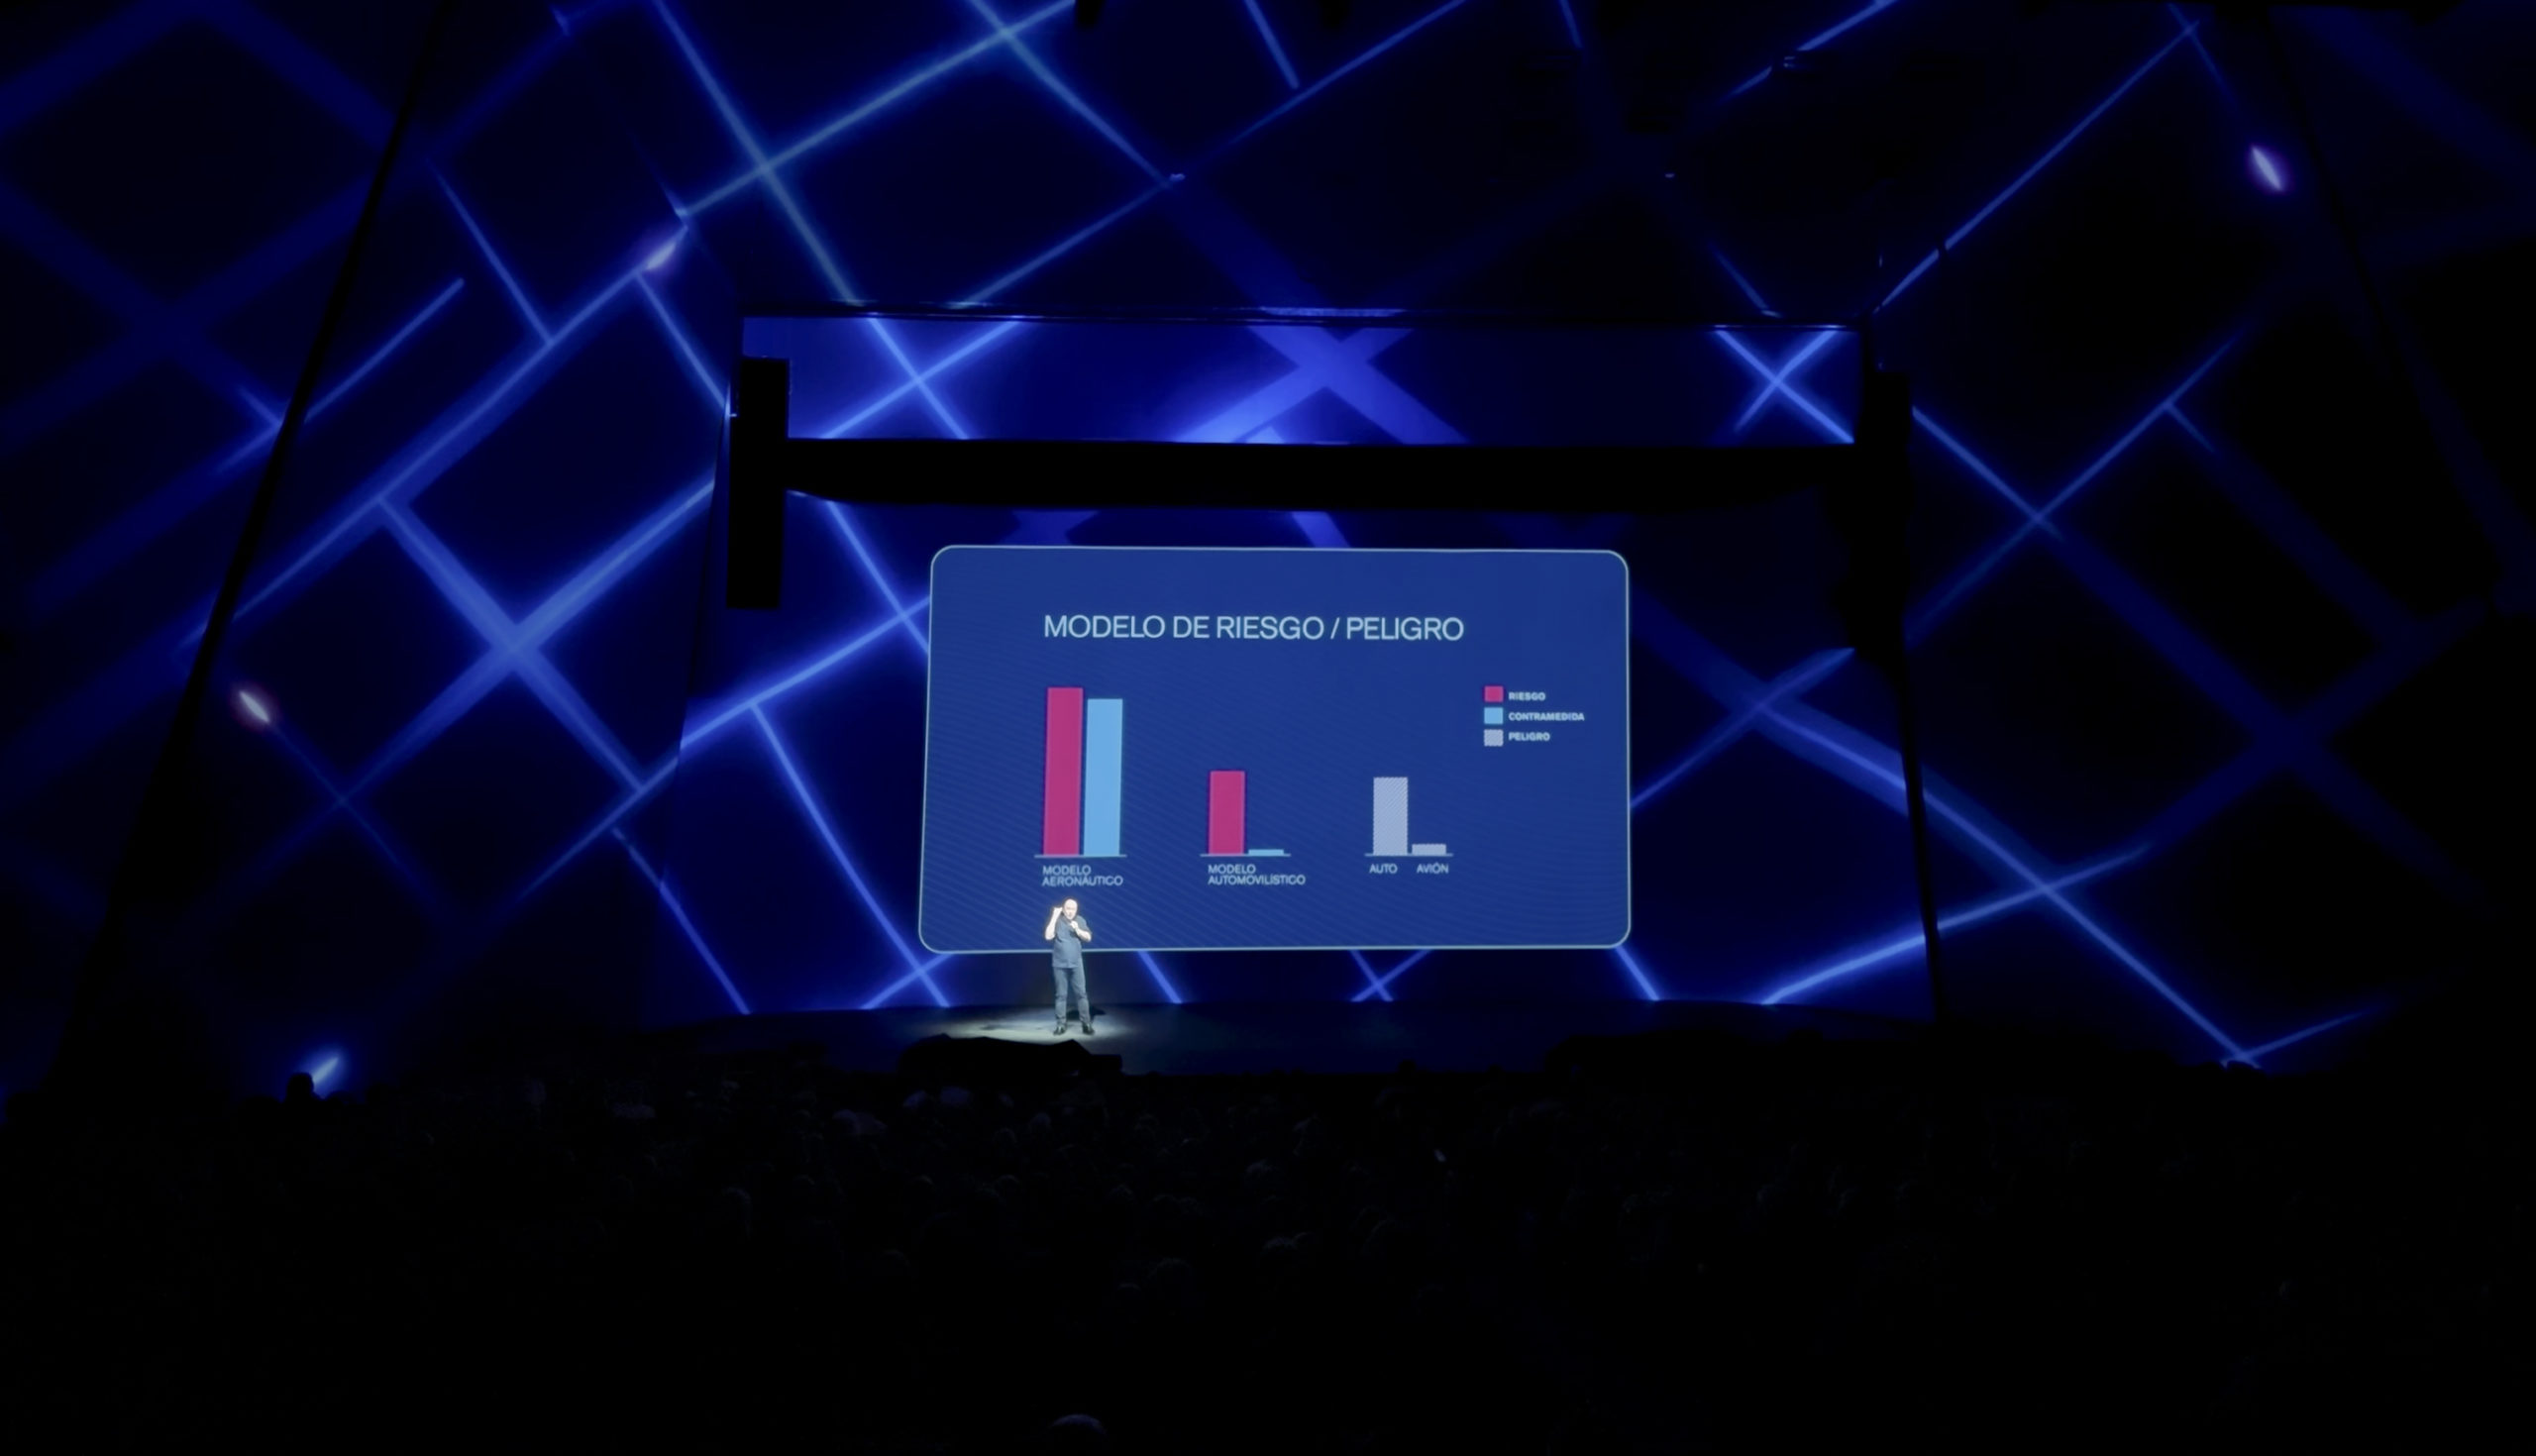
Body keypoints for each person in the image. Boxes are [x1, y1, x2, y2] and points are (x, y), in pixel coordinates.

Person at [1044, 898, 1095, 1035]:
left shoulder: (1080, 920)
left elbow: (1088, 937)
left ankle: (1086, 1024)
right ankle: (1061, 1024)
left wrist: (1077, 929)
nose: (1070, 911)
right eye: (1068, 908)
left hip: (1076, 964)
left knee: (1081, 994)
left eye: (1073, 909)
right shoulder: (1057, 920)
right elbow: (1048, 936)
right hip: (1059, 964)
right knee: (1061, 995)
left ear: (1076, 910)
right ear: (1063, 909)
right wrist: (1054, 916)